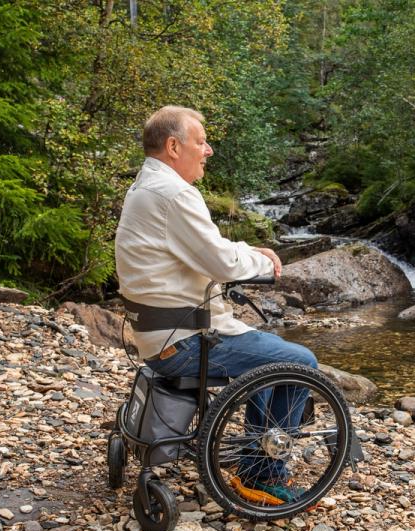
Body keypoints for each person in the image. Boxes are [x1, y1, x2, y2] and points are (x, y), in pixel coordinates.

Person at [114, 105, 314, 503]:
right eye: (201, 142)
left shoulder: (146, 187)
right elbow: (221, 262)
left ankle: (251, 457)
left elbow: (209, 248)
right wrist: (265, 261)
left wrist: (243, 248)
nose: (208, 151)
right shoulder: (174, 194)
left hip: (157, 334)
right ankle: (261, 473)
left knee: (263, 352)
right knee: (301, 362)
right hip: (183, 343)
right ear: (174, 146)